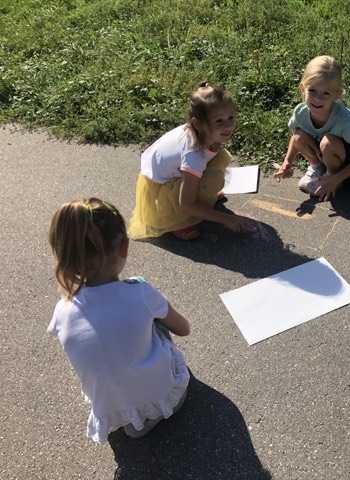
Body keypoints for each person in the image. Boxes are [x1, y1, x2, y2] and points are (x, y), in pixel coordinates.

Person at [48, 198, 191, 444]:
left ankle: (129, 416)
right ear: (124, 247)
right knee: (156, 324)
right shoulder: (140, 293)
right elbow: (183, 329)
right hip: (159, 391)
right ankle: (151, 413)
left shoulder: (62, 311)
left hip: (108, 404)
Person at [129, 82, 257, 240]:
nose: (228, 125)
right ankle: (176, 222)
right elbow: (187, 204)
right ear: (198, 123)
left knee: (220, 156)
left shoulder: (199, 133)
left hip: (165, 175)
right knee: (212, 180)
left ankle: (201, 198)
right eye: (219, 121)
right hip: (159, 192)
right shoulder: (194, 153)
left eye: (231, 117)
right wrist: (228, 219)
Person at [274, 55, 350, 201]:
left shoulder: (345, 120)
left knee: (328, 142)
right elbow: (295, 138)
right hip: (325, 149)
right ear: (303, 88)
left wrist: (336, 179)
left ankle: (331, 176)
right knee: (299, 135)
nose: (317, 99)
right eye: (312, 91)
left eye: (326, 93)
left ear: (337, 95)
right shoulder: (300, 112)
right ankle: (317, 168)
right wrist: (287, 162)